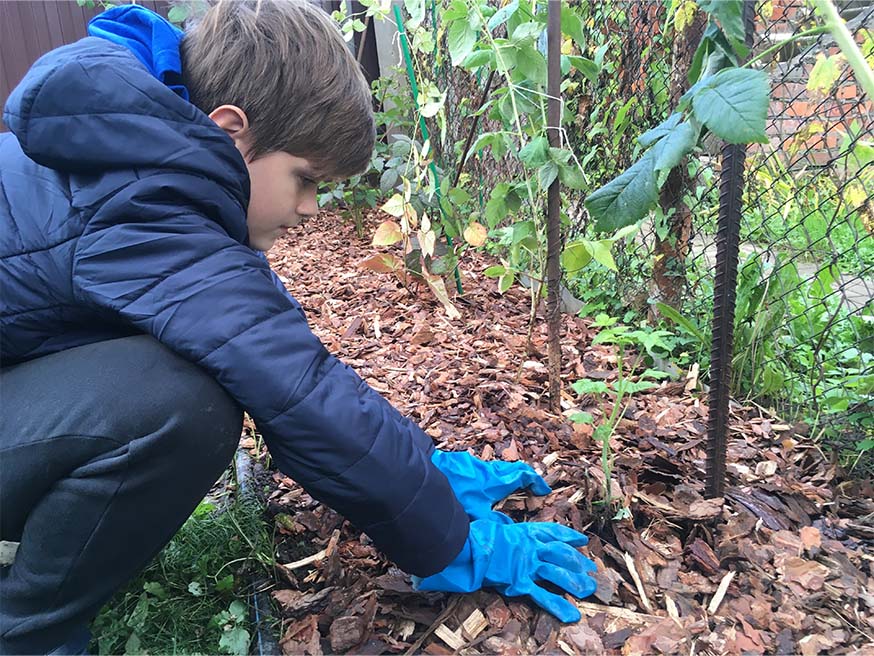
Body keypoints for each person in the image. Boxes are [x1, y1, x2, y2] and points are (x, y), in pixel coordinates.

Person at [0, 2, 596, 653]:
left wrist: (426, 470)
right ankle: (28, 632)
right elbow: (298, 393)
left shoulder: (132, 157)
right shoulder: (144, 200)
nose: (311, 209)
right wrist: (449, 538)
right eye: (305, 180)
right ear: (231, 132)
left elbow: (283, 352)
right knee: (182, 406)